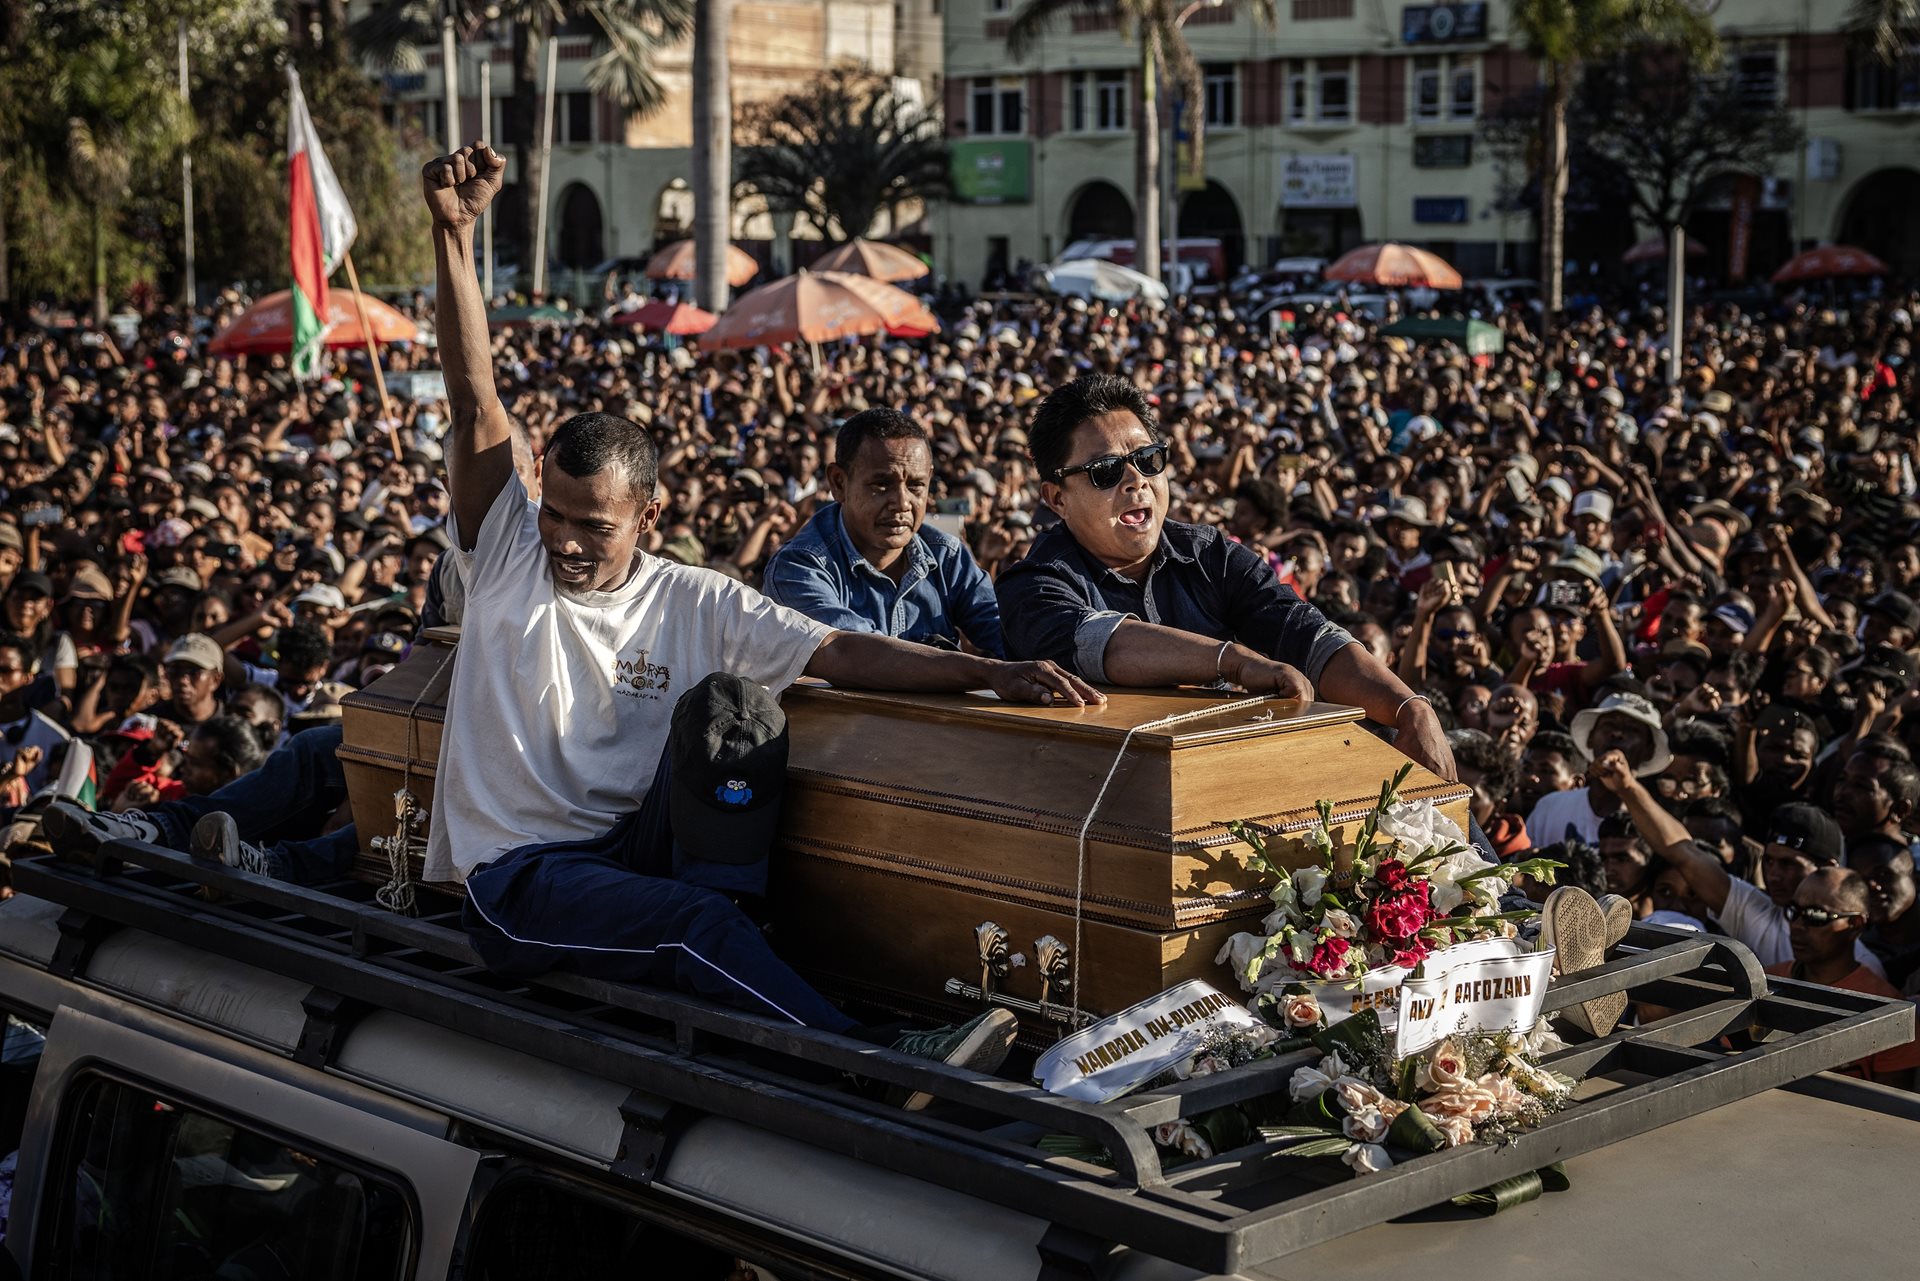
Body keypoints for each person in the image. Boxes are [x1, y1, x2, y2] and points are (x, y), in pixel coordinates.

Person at [409, 142, 1100, 1095]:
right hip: (517, 877)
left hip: (628, 845)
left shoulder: (695, 595)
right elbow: (473, 392)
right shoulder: (510, 551)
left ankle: (741, 943)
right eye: (555, 514)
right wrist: (454, 234)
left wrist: (990, 672)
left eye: (592, 525)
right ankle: (873, 1063)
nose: (565, 540)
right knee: (703, 926)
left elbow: (842, 651)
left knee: (736, 706)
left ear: (649, 518)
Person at [995, 374, 1455, 781]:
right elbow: (1104, 643)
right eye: (1106, 471)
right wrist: (1231, 662)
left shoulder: (1210, 553)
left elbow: (1308, 637)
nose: (1136, 481)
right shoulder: (1032, 585)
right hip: (1106, 808)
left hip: (1233, 779)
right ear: (1056, 498)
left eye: (1148, 460)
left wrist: (1410, 707)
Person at [1594, 749, 1886, 977]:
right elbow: (1682, 852)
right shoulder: (1757, 910)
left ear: (1829, 868)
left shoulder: (1864, 966)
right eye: (1770, 861)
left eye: (1789, 864)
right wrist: (1628, 787)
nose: (1774, 873)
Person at [764, 408, 1004, 655]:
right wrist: (982, 670)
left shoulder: (948, 557)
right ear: (839, 483)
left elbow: (1006, 636)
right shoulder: (799, 567)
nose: (902, 503)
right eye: (881, 484)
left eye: (916, 485)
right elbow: (859, 655)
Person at [1764, 868, 1919, 1089]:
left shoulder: (1888, 1011)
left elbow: (1889, 1106)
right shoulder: (1765, 985)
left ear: (1855, 924)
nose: (1798, 924)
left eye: (1815, 916)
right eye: (1793, 911)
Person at [1525, 690, 1671, 848]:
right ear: (1590, 738)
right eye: (1608, 725)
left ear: (1649, 750)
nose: (1617, 733)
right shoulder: (1550, 808)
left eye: (1631, 729)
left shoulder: (1654, 827)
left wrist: (1626, 786)